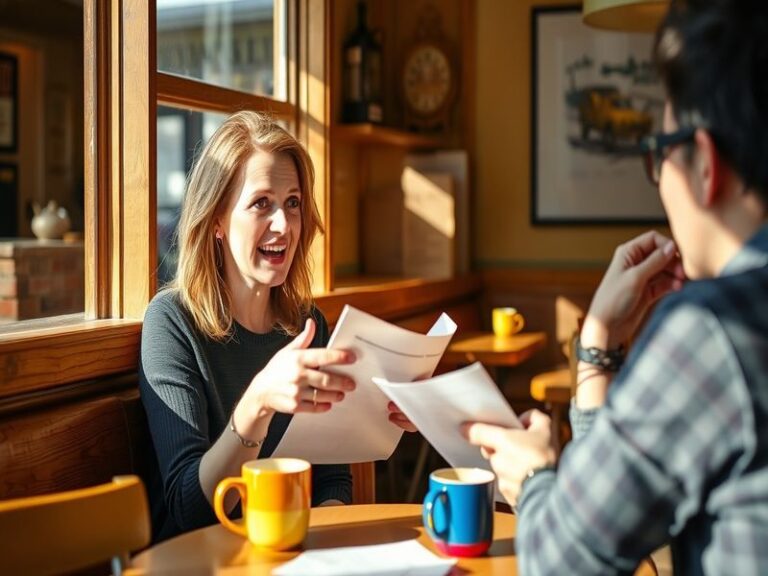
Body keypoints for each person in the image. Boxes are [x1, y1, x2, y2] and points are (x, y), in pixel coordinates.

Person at [464, 1, 768, 574]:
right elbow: (615, 506)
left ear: (704, 164)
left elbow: (562, 559)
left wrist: (533, 476)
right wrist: (599, 343)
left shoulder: (713, 330)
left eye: (659, 154)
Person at [139, 111, 412, 543]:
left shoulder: (306, 324)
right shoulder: (171, 321)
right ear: (217, 221)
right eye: (261, 203)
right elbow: (189, 509)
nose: (284, 225)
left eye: (293, 203)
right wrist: (258, 405)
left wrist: (329, 548)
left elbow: (331, 480)